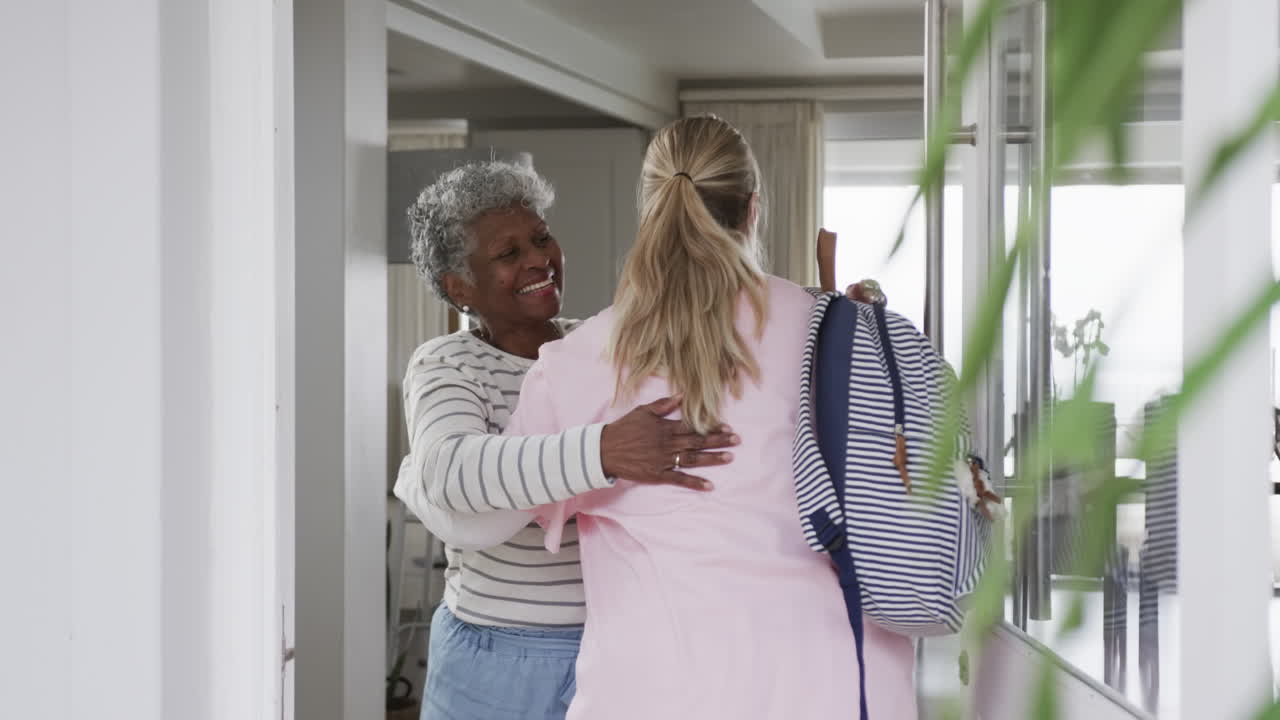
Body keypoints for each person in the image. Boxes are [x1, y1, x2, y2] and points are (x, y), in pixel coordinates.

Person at [504, 115, 917, 719]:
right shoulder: (845, 337)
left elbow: (508, 500)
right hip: (832, 689)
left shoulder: (570, 366)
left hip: (652, 697)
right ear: (753, 210)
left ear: (651, 209)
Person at [393, 160, 740, 720]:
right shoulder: (448, 363)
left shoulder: (604, 345)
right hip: (496, 656)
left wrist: (829, 314)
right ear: (460, 287)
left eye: (541, 237)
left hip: (616, 645)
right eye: (508, 255)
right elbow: (450, 472)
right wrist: (604, 452)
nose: (537, 259)